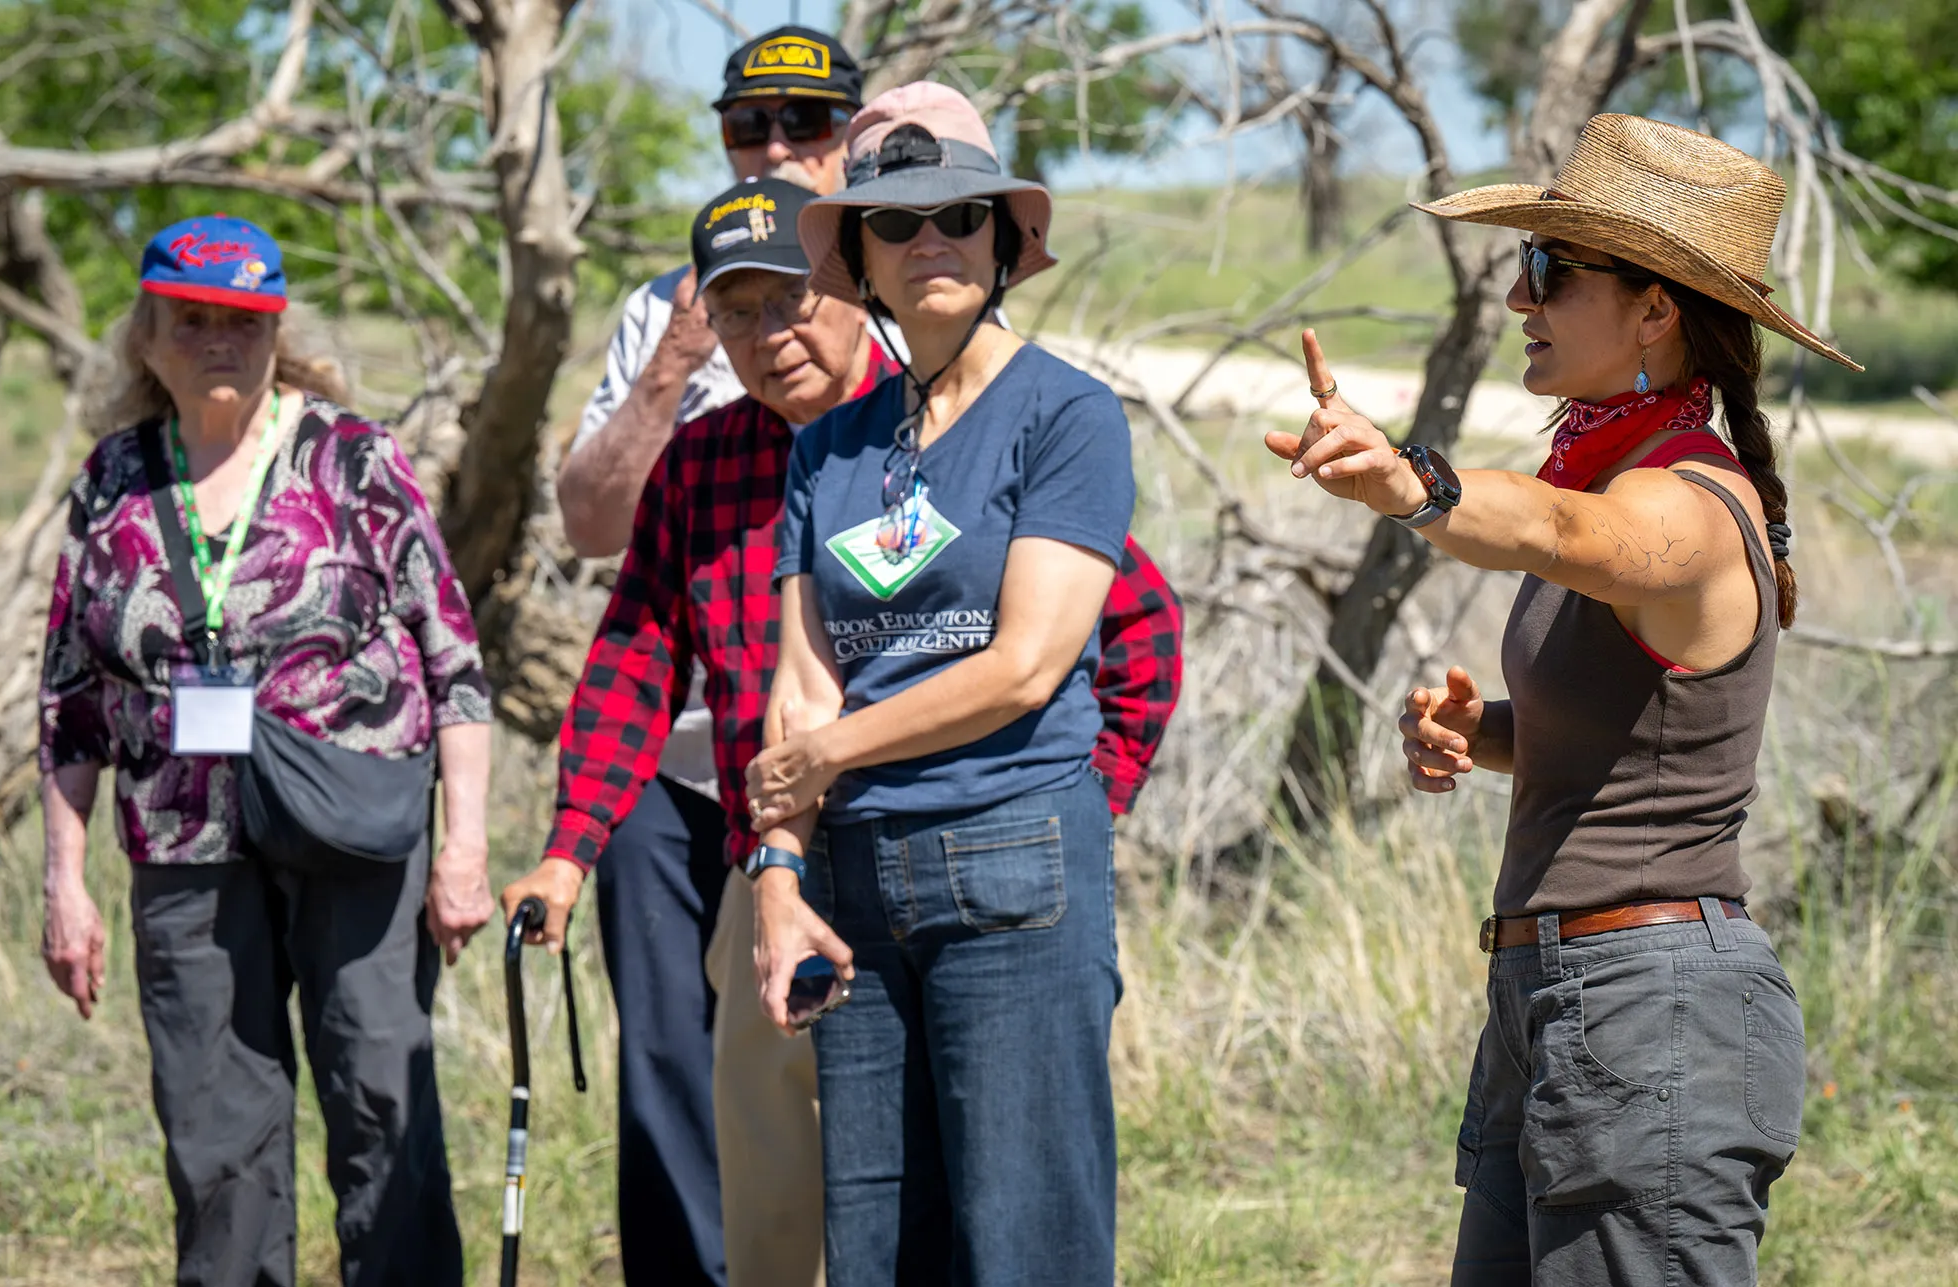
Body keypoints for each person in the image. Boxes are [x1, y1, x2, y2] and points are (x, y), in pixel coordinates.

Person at [503, 172, 1181, 1287]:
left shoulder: (978, 419)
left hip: (988, 856)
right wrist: (574, 849)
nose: (770, 335)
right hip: (785, 858)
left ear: (845, 294)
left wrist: (1076, 806)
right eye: (736, 314)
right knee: (797, 1196)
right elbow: (637, 662)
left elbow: (1133, 626)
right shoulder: (712, 463)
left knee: (1000, 1200)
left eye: (790, 301)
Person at [1264, 115, 1861, 1285]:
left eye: (1547, 269)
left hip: (1648, 1013)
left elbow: (1557, 533)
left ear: (1654, 312)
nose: (1515, 299)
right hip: (1566, 1000)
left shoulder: (1682, 503)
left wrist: (1408, 480)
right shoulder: (1620, 471)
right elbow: (1629, 742)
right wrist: (1482, 734)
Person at [36, 215, 495, 1287]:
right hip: (183, 846)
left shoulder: (353, 458)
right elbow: (69, 699)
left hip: (351, 823)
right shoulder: (112, 478)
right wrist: (65, 880)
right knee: (215, 1135)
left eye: (242, 319)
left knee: (381, 1101)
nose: (218, 339)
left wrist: (465, 847)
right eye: (191, 318)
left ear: (277, 330)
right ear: (147, 336)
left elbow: (454, 660)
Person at [744, 82, 1136, 1286]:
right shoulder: (827, 446)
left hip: (1011, 856)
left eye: (960, 215)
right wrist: (777, 874)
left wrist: (828, 754)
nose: (930, 241)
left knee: (1025, 1243)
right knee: (878, 1246)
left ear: (1004, 238)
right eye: (895, 222)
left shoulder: (1065, 415)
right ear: (858, 256)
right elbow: (801, 682)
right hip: (851, 880)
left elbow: (1023, 666)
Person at [544, 27, 867, 1287]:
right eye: (749, 125)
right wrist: (679, 354)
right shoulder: (668, 333)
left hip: (877, 788)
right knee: (692, 1070)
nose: (776, 144)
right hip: (692, 772)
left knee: (868, 1094)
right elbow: (603, 560)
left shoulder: (919, 316)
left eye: (804, 121)